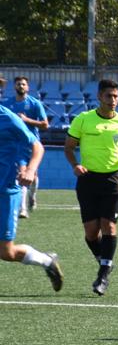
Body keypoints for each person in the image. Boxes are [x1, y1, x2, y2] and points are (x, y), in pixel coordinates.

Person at [64, 78, 118, 296]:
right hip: (87, 180)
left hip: (112, 180)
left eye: (116, 96)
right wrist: (75, 165)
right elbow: (68, 147)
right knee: (91, 232)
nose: (113, 100)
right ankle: (105, 261)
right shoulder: (83, 120)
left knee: (109, 226)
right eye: (108, 96)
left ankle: (103, 274)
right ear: (99, 97)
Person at [0, 76, 64, 291]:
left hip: (5, 190)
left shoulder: (8, 118)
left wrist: (30, 169)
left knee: (6, 252)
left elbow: (38, 147)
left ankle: (47, 262)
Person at [3, 76, 48, 218]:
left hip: (32, 144)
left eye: (23, 84)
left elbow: (45, 124)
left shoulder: (35, 104)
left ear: (28, 87)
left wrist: (27, 120)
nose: (21, 86)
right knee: (21, 173)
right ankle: (22, 209)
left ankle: (32, 196)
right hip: (17, 146)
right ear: (14, 87)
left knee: (33, 176)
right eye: (18, 84)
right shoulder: (7, 104)